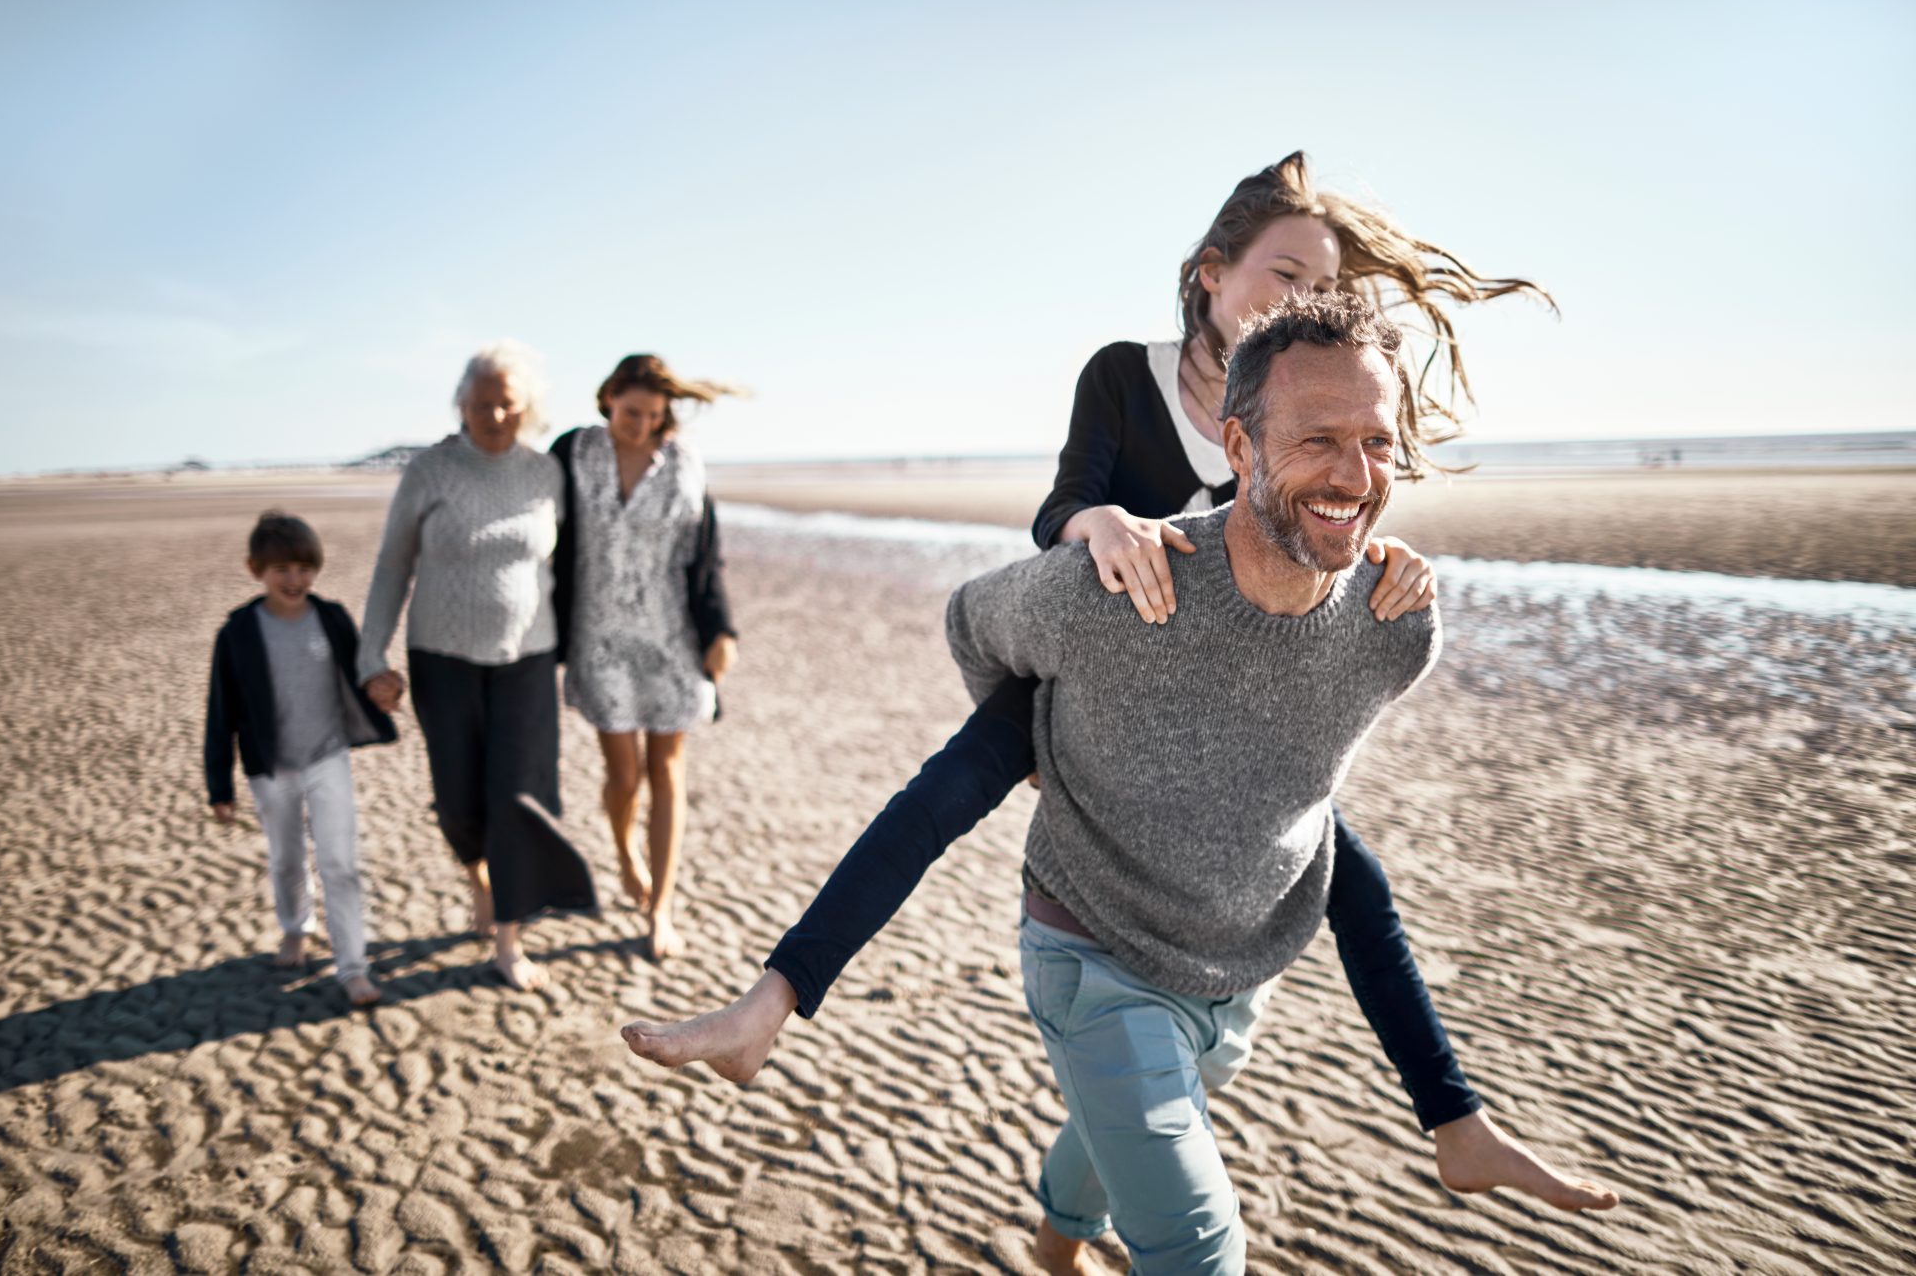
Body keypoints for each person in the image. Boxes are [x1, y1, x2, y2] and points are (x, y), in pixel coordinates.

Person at [624, 157, 1613, 1246]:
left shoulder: (1328, 430)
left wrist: (1365, 542)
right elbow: (1057, 509)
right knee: (945, 791)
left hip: (1238, 705)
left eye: (1324, 287)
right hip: (1101, 626)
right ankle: (774, 998)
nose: (1302, 304)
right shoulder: (1132, 377)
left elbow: (1333, 492)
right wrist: (1087, 554)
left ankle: (1421, 1123)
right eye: (1281, 277)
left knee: (1329, 852)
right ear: (1211, 277)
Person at [358, 342, 597, 992]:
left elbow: (578, 565)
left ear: (529, 407)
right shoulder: (430, 472)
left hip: (528, 658)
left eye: (507, 403)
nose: (494, 414)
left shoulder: (547, 475)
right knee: (460, 799)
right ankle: (479, 876)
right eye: (481, 402)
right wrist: (370, 653)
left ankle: (508, 938)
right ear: (460, 403)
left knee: (518, 797)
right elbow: (391, 565)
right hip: (441, 658)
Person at [550, 354, 741, 962]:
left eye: (655, 416)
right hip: (598, 636)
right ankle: (625, 852)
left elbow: (704, 552)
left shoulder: (683, 461)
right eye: (632, 413)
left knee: (667, 770)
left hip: (672, 638)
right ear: (607, 398)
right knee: (623, 775)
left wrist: (721, 629)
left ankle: (661, 906)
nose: (642, 425)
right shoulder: (572, 453)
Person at [204, 510, 396, 1008]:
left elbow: (363, 673)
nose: (295, 579)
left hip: (327, 759)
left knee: (339, 864)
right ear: (256, 569)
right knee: (287, 857)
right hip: (271, 768)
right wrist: (219, 787)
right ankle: (296, 927)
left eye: (305, 568)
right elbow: (220, 712)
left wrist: (383, 690)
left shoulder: (330, 616)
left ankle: (353, 967)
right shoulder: (238, 632)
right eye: (282, 570)